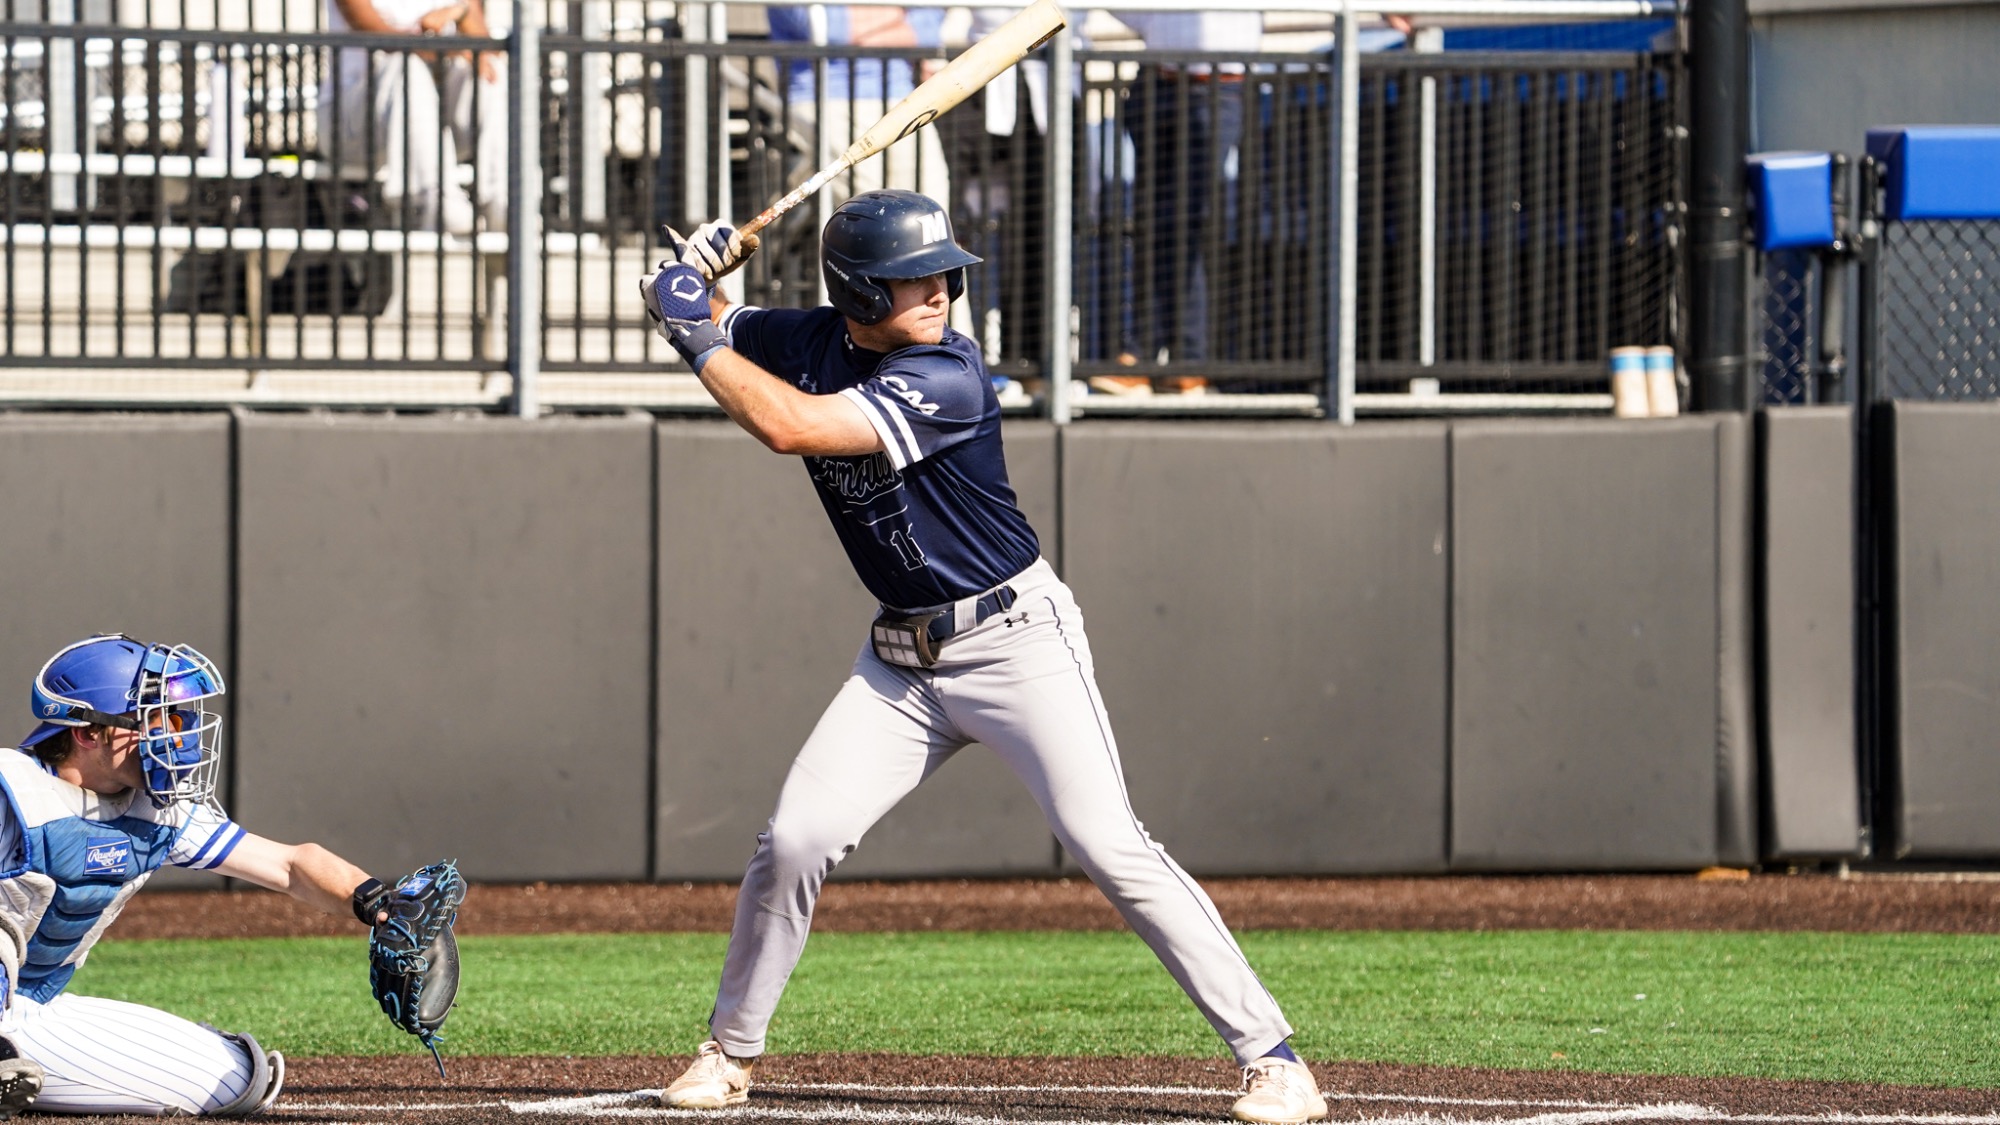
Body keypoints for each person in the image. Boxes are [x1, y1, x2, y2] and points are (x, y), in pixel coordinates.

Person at [638, 193, 1329, 1125]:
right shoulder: (811, 340)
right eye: (915, 277)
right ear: (858, 289)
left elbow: (787, 426)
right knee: (793, 839)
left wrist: (687, 327)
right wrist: (700, 284)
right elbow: (727, 327)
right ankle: (728, 1052)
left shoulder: (950, 373)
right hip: (900, 661)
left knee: (1109, 843)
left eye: (943, 273)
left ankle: (1275, 1060)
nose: (939, 290)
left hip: (1016, 642)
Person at [0, 634, 405, 1115]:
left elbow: (290, 866)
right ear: (88, 733)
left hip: (30, 1009)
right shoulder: (15, 789)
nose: (174, 736)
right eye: (154, 720)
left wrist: (379, 904)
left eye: (176, 719)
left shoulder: (160, 809)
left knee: (240, 1080)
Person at [322, 0, 508, 234]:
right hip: (351, 128)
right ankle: (436, 200)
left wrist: (460, 12)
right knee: (404, 64)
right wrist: (450, 48)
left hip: (440, 130)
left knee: (490, 70)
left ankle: (505, 199)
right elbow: (381, 36)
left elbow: (487, 49)